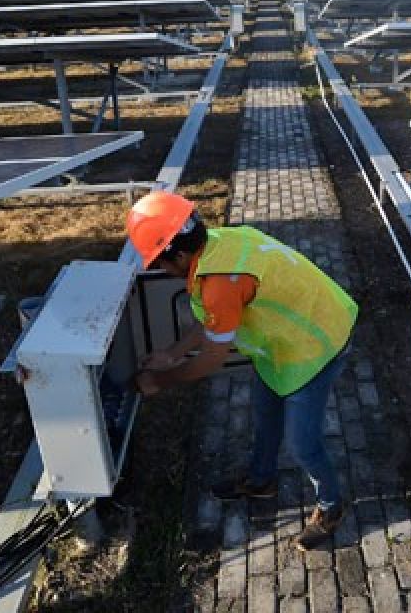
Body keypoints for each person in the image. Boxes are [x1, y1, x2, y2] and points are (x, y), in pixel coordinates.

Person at [125, 190, 359, 551]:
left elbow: (212, 358)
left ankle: (331, 507)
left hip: (315, 346)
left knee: (302, 444)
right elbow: (213, 321)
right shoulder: (220, 242)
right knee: (266, 415)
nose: (160, 270)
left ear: (181, 254)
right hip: (284, 344)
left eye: (159, 263)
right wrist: (171, 354)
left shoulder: (220, 281)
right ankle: (261, 479)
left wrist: (159, 380)